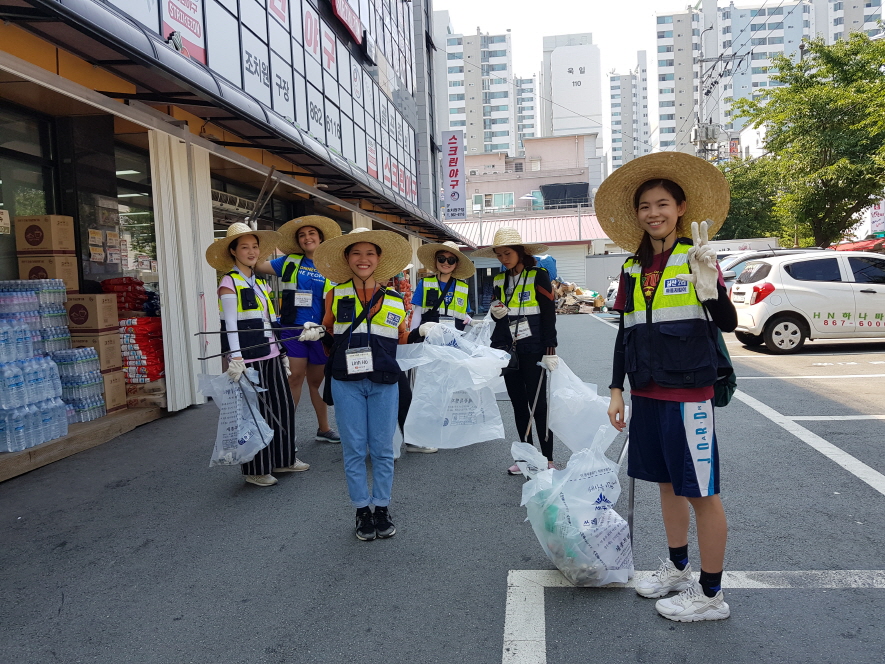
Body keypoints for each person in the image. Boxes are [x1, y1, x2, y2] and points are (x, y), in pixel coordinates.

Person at [596, 151, 736, 622]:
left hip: (689, 397)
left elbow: (729, 324)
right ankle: (678, 569)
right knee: (667, 487)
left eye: (662, 204)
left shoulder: (697, 258)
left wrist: (709, 286)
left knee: (702, 493)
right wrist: (616, 390)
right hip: (647, 394)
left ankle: (712, 595)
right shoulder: (633, 268)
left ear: (680, 210)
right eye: (645, 207)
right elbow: (625, 332)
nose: (653, 213)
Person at [311, 227, 412, 541]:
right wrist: (316, 332)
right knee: (354, 450)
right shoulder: (335, 293)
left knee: (382, 450)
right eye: (356, 252)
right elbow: (328, 334)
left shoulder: (395, 299)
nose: (363, 259)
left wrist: (429, 333)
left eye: (370, 253)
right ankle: (361, 510)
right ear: (347, 258)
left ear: (378, 259)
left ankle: (381, 506)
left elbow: (403, 340)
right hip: (346, 382)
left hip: (385, 382)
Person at [206, 222, 310, 488]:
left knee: (283, 406)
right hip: (249, 359)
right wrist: (236, 359)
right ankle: (255, 469)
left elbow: (269, 320)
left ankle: (284, 458)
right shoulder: (229, 283)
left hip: (272, 354)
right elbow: (230, 326)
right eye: (245, 247)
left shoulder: (260, 282)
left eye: (254, 247)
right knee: (256, 413)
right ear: (233, 251)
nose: (251, 252)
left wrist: (283, 350)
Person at [470, 227, 559, 474]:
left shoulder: (538, 275)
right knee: (518, 404)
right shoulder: (498, 280)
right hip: (508, 350)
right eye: (498, 255)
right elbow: (497, 313)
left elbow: (549, 314)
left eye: (507, 253)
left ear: (520, 252)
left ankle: (548, 458)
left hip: (535, 348)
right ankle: (526, 457)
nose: (503, 258)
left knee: (538, 404)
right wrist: (495, 313)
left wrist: (550, 349)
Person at [257, 215, 342, 444]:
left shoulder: (333, 266)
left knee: (316, 382)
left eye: (312, 233)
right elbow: (257, 264)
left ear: (321, 238)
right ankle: (285, 431)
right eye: (302, 235)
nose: (307, 238)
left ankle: (324, 429)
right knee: (294, 377)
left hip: (320, 332)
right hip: (292, 329)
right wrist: (259, 242)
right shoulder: (288, 261)